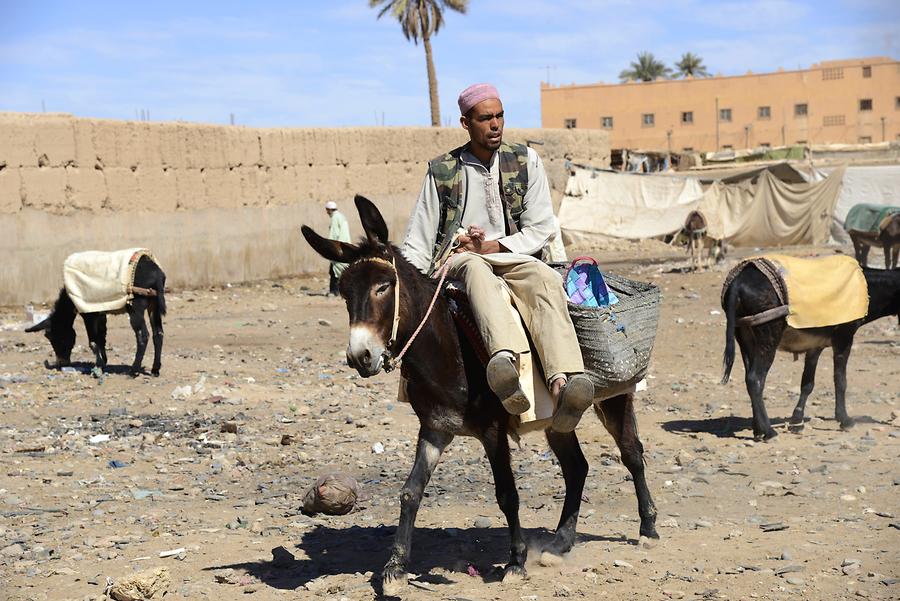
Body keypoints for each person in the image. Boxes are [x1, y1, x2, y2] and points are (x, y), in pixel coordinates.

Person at [401, 83, 594, 433]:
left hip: (513, 254)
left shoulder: (524, 161)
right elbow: (419, 238)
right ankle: (505, 364)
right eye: (485, 118)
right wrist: (411, 287)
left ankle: (564, 384)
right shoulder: (442, 171)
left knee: (543, 278)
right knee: (476, 269)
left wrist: (494, 246)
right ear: (465, 123)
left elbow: (540, 227)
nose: (495, 125)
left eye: (499, 116)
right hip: (458, 260)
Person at [325, 201, 351, 295]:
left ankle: (335, 291)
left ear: (328, 209)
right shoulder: (341, 216)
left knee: (336, 269)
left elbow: (334, 234)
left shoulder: (335, 218)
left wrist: (329, 246)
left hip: (338, 247)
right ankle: (336, 290)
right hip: (345, 246)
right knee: (335, 269)